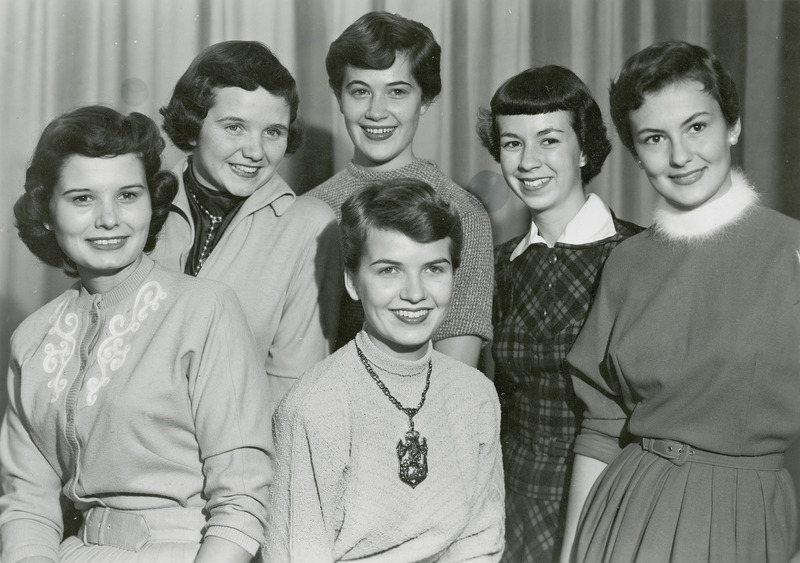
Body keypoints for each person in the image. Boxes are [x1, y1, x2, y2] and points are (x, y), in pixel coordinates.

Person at [559, 41, 800, 563]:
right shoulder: (625, 263)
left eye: (697, 126)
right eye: (654, 138)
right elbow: (600, 428)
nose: (680, 156)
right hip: (624, 516)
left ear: (731, 125)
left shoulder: (791, 252)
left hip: (747, 526)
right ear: (636, 152)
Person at [1, 106, 271, 562]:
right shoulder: (31, 339)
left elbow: (241, 497)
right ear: (47, 211)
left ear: (152, 202)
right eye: (82, 199)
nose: (110, 219)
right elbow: (27, 502)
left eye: (128, 195)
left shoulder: (204, 309)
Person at [266, 179, 505, 561]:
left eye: (433, 269)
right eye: (389, 270)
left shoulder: (475, 393)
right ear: (352, 282)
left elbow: (481, 541)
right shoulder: (315, 407)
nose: (414, 293)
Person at [476, 66, 643, 562]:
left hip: (612, 498)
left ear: (585, 148)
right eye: (512, 144)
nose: (529, 162)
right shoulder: (498, 266)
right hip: (512, 502)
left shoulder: (637, 253)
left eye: (549, 140)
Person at [153, 41, 341, 408]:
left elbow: (293, 390)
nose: (255, 151)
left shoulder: (309, 226)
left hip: (244, 455)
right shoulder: (141, 207)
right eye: (235, 127)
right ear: (193, 128)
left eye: (272, 132)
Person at [307, 11, 493, 368]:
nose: (377, 112)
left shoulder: (462, 211)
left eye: (397, 92)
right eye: (360, 91)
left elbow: (456, 377)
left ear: (424, 100)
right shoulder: (308, 209)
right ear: (339, 97)